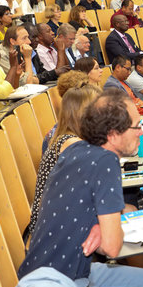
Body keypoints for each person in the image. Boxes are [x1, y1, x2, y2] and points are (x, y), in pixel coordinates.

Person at [17, 89, 143, 287]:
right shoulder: (106, 162)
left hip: (74, 270)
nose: (142, 132)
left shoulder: (77, 149)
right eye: (137, 127)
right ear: (113, 135)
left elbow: (80, 207)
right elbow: (111, 247)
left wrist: (101, 225)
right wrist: (107, 229)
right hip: (54, 281)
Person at [29, 85, 101, 234]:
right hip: (54, 226)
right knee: (125, 214)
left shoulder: (69, 137)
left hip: (61, 216)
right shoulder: (71, 144)